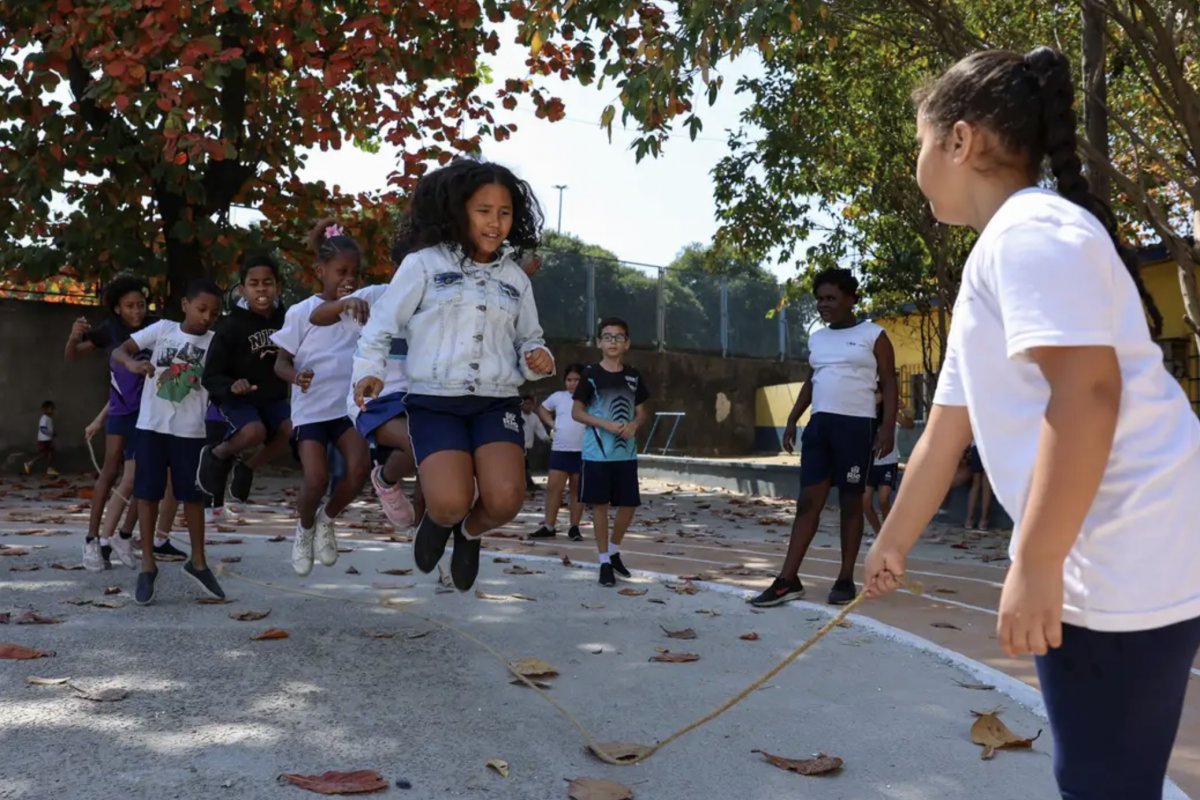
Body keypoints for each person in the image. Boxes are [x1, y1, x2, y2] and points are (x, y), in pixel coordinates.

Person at [864, 47, 1200, 800]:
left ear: (960, 140)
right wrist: (893, 542)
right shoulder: (1004, 250)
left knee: (1103, 782)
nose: (918, 160)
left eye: (921, 139)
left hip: (1122, 545)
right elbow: (948, 430)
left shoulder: (1030, 233)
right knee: (1102, 774)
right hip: (1125, 539)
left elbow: (1086, 395)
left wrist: (1037, 562)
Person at [352, 159, 555, 592]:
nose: (495, 222)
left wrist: (538, 355)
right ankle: (442, 522)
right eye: (484, 210)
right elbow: (381, 325)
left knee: (504, 501)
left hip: (495, 401)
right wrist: (369, 372)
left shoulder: (516, 278)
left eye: (504, 212)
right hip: (435, 402)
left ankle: (469, 534)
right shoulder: (423, 265)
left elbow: (529, 339)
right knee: (447, 502)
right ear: (460, 210)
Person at [751, 268, 897, 607]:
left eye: (831, 298)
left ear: (851, 299)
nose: (823, 305)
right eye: (820, 299)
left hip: (856, 429)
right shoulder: (818, 338)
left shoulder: (874, 335)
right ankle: (787, 579)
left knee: (850, 503)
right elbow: (811, 379)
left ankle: (845, 579)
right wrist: (792, 418)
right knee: (808, 502)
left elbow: (889, 382)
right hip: (820, 429)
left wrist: (887, 427)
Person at [111, 278, 226, 605]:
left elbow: (225, 378)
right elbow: (121, 350)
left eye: (214, 313)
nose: (207, 317)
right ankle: (147, 565)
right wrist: (133, 363)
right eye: (202, 309)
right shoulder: (162, 329)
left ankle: (199, 563)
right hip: (151, 427)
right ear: (186, 305)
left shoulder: (217, 343)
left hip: (191, 431)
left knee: (193, 497)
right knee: (147, 495)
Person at [271, 221, 373, 576]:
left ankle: (327, 518)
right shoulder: (301, 312)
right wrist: (296, 376)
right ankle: (305, 528)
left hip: (346, 409)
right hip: (312, 411)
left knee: (359, 469)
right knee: (316, 478)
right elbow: (280, 363)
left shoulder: (361, 310)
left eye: (355, 273)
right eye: (341, 271)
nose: (350, 278)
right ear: (320, 271)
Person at [67, 274, 186, 569]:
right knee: (109, 472)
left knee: (142, 478)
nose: (136, 311)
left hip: (149, 415)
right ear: (118, 308)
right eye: (129, 306)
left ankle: (123, 536)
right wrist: (72, 337)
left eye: (141, 305)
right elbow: (72, 357)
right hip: (121, 413)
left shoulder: (155, 328)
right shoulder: (109, 330)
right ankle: (92, 541)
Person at [308, 286, 419, 531]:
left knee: (439, 452)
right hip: (376, 396)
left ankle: (424, 528)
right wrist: (343, 304)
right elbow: (316, 316)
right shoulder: (377, 295)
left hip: (422, 394)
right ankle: (385, 481)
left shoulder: (441, 294)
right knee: (419, 443)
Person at [198, 253, 293, 508]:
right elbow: (210, 375)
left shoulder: (288, 319)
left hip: (272, 398)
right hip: (237, 398)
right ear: (243, 289)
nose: (261, 288)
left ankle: (247, 467)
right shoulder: (230, 326)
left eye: (268, 282)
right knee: (254, 431)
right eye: (254, 283)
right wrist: (231, 385)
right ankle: (218, 455)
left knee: (294, 428)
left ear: (278, 286)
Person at [572, 318, 650, 587]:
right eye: (607, 337)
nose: (612, 341)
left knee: (629, 505)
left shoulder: (633, 376)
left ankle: (615, 550)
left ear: (627, 343)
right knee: (601, 506)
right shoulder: (590, 375)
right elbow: (577, 412)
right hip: (597, 454)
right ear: (599, 342)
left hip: (626, 453)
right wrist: (605, 423)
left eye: (618, 337)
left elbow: (642, 412)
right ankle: (604, 561)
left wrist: (634, 425)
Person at [530, 364, 586, 541]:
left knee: (577, 490)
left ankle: (574, 527)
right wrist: (552, 424)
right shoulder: (558, 397)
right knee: (554, 488)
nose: (573, 383)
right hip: (560, 450)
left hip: (583, 451)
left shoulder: (590, 398)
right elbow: (543, 409)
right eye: (569, 380)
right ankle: (549, 525)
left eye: (577, 380)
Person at [864, 393, 914, 537]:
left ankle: (888, 534)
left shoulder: (890, 413)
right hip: (870, 462)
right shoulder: (868, 411)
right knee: (865, 502)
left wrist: (904, 408)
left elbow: (909, 424)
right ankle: (879, 534)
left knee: (883, 499)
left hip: (888, 461)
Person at [521, 394, 550, 491]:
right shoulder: (517, 415)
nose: (528, 406)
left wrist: (547, 439)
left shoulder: (534, 417)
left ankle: (527, 484)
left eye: (530, 404)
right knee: (522, 466)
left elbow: (540, 429)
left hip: (528, 447)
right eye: (525, 404)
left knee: (525, 465)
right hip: (517, 446)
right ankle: (527, 484)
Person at [962, 441, 993, 531]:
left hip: (977, 445)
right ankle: (984, 519)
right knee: (987, 483)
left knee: (976, 483)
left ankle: (969, 518)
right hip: (992, 445)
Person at [23, 400, 57, 477]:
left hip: (47, 439)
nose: (52, 410)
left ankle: (49, 469)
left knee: (49, 454)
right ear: (45, 409)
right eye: (51, 408)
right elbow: (43, 429)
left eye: (53, 408)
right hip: (43, 440)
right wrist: (51, 433)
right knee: (45, 454)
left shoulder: (48, 418)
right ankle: (29, 464)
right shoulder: (44, 418)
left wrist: (52, 433)